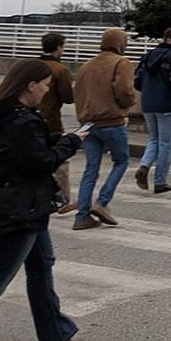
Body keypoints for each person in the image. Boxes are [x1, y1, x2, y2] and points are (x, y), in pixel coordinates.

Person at [0, 59, 86, 341]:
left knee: (41, 266)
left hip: (23, 205)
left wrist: (57, 138)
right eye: (45, 86)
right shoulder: (20, 119)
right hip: (19, 208)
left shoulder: (2, 114)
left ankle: (56, 333)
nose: (47, 91)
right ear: (30, 85)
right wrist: (71, 142)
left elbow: (23, 153)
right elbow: (40, 162)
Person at [72, 27, 136, 231]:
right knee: (121, 161)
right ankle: (102, 202)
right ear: (121, 43)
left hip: (88, 123)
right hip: (112, 121)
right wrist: (128, 104)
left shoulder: (86, 65)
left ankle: (81, 216)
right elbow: (125, 90)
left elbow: (78, 93)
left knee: (91, 168)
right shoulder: (121, 62)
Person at [134, 27, 171, 194]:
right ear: (169, 39)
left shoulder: (147, 56)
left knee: (154, 140)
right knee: (166, 143)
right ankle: (160, 181)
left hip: (148, 104)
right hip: (168, 104)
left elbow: (137, 81)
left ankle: (144, 165)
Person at [37, 32, 76, 215]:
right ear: (59, 47)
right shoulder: (60, 70)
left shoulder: (31, 65)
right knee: (61, 161)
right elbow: (68, 97)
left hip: (31, 117)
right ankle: (62, 199)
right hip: (51, 119)